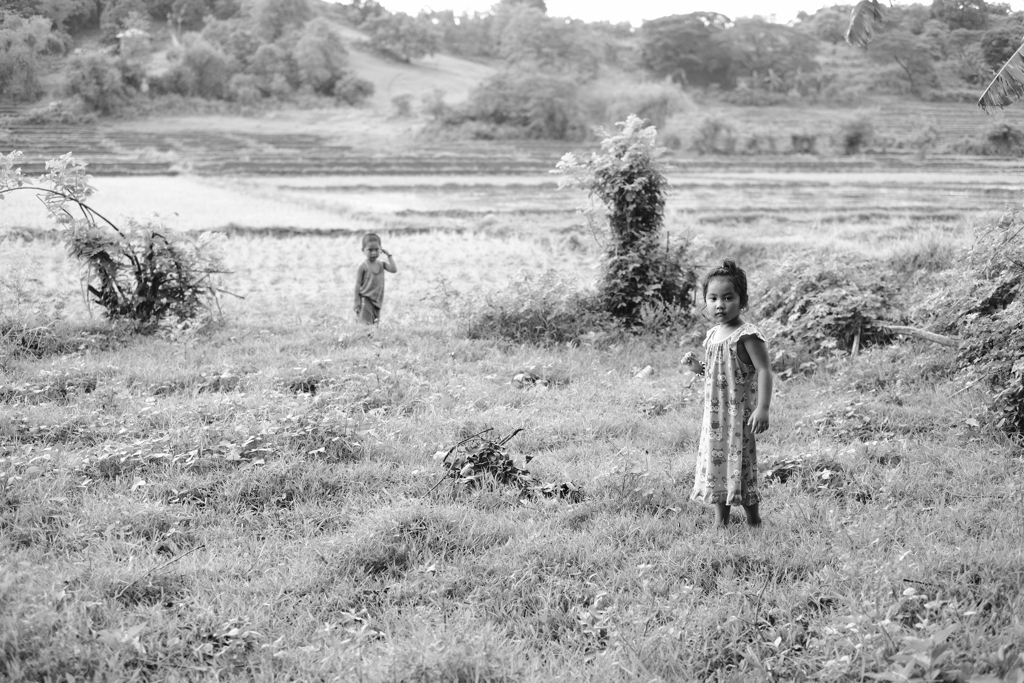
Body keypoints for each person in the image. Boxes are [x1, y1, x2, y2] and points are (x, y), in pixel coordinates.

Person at [682, 259, 773, 527]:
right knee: (716, 466)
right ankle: (720, 521)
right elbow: (712, 374)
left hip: (739, 418)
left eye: (728, 297)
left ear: (742, 301)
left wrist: (763, 408)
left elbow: (765, 370)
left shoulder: (747, 335)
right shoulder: (712, 336)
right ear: (705, 302)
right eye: (713, 298)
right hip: (714, 418)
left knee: (741, 466)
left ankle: (753, 520)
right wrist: (696, 368)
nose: (720, 304)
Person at [354, 233, 397, 324]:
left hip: (377, 300)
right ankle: (365, 338)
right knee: (366, 324)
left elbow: (393, 269)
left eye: (377, 249)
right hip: (365, 299)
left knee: (375, 323)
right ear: (363, 250)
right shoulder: (363, 266)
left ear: (381, 249)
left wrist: (389, 256)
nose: (374, 253)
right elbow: (357, 284)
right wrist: (356, 301)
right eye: (370, 250)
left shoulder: (381, 264)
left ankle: (373, 338)